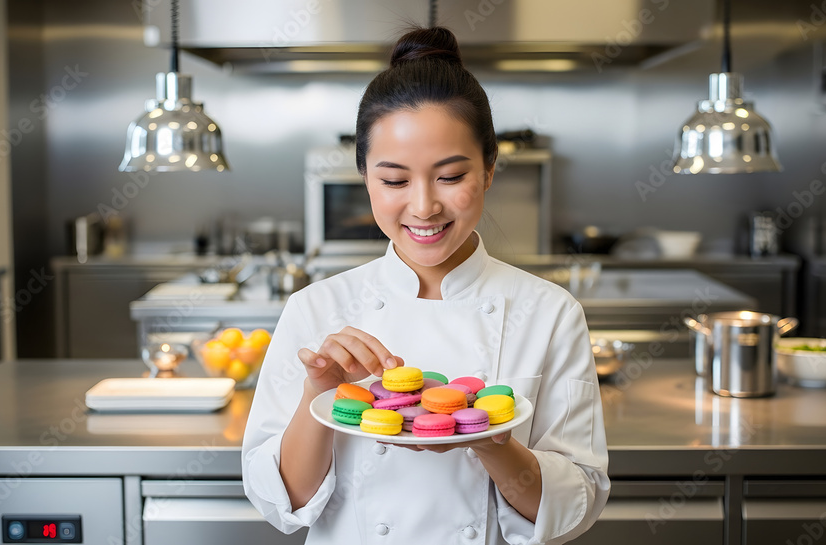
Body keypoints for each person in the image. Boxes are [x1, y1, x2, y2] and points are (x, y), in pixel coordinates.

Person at [242, 26, 610, 545]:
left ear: (489, 170)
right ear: (365, 178)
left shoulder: (551, 312)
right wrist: (319, 395)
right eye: (394, 180)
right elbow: (284, 503)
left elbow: (576, 505)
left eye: (451, 176)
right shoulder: (315, 308)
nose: (423, 207)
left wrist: (490, 440)